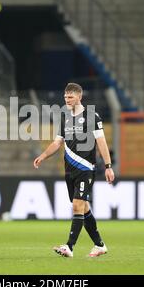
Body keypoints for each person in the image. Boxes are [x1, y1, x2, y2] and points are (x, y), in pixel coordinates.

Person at [33, 83, 115, 258]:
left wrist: (108, 166)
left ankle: (69, 247)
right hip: (69, 170)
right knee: (83, 208)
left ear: (79, 96)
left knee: (77, 205)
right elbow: (57, 142)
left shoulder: (93, 116)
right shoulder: (65, 117)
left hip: (86, 168)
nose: (67, 99)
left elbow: (102, 142)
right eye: (65, 97)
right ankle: (99, 245)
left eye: (70, 97)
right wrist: (43, 155)